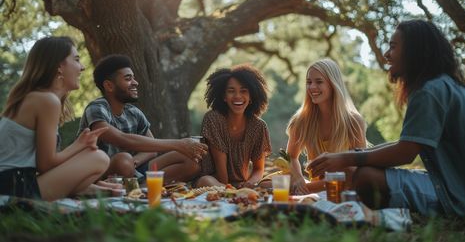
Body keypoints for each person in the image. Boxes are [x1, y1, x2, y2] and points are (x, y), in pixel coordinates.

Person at [307, 20, 465, 217]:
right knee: (356, 169)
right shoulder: (449, 85)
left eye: (393, 47)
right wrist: (353, 156)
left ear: (415, 50)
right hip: (453, 182)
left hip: (460, 194)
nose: (386, 54)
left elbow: (405, 153)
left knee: (365, 177)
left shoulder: (430, 91)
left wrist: (346, 158)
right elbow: (408, 143)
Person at [0, 36, 117, 201]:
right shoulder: (46, 100)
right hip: (12, 188)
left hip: (14, 182)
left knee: (92, 158)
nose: (82, 67)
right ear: (59, 67)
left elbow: (44, 167)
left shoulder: (36, 98)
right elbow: (46, 164)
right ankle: (82, 190)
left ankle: (85, 189)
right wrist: (79, 145)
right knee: (99, 158)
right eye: (76, 60)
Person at [78, 54, 207, 184]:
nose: (135, 82)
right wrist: (179, 144)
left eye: (134, 78)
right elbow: (121, 139)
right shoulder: (96, 108)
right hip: (100, 173)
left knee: (191, 160)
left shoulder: (134, 112)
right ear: (109, 86)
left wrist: (134, 162)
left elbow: (152, 150)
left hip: (132, 170)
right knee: (123, 161)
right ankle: (134, 187)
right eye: (128, 78)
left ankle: (143, 188)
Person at [286, 58, 366, 194]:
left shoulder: (354, 121)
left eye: (319, 82)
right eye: (309, 82)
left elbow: (357, 169)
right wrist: (299, 178)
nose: (311, 87)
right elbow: (290, 157)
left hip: (342, 186)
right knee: (268, 183)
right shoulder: (301, 120)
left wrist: (304, 187)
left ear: (333, 84)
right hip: (312, 186)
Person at [195, 64, 271, 188]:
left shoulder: (259, 126)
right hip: (214, 181)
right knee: (207, 181)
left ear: (251, 96)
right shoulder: (213, 119)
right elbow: (222, 176)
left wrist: (250, 184)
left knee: (271, 183)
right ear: (224, 96)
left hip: (240, 184)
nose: (237, 96)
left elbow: (258, 169)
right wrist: (232, 191)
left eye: (243, 91)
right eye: (231, 91)